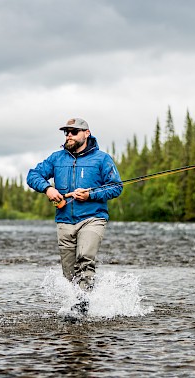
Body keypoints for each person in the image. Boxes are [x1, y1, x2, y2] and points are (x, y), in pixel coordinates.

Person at [27, 117, 123, 295]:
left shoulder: (102, 159)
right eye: (66, 132)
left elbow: (116, 187)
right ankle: (78, 305)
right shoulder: (56, 158)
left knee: (85, 259)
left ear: (86, 133)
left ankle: (82, 307)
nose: (69, 135)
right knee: (69, 273)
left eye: (74, 132)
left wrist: (90, 194)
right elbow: (33, 175)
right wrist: (47, 189)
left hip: (93, 218)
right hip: (64, 221)